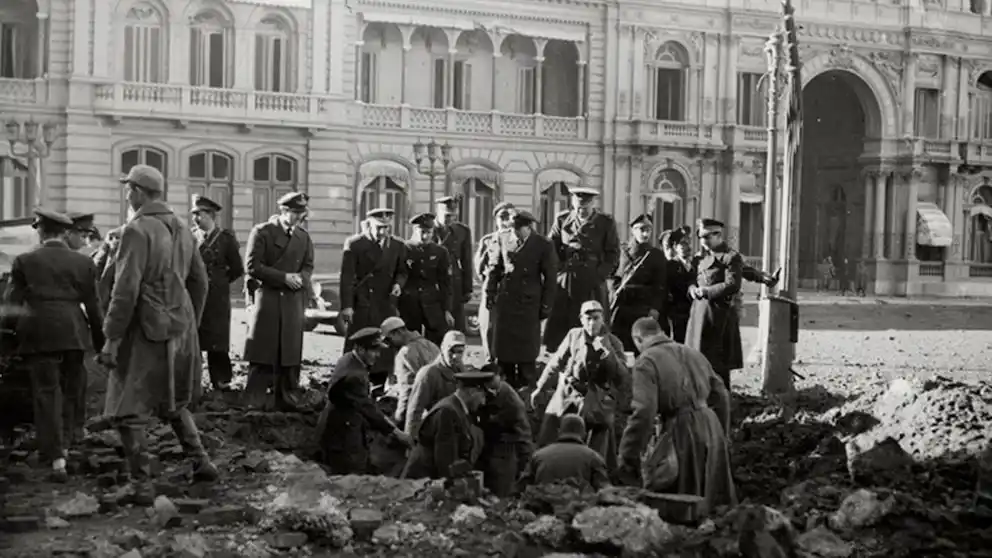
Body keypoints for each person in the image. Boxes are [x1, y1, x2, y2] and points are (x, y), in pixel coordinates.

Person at [99, 164, 217, 498]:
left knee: (127, 409)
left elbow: (125, 291)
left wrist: (111, 338)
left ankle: (140, 484)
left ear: (138, 192)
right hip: (180, 327)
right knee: (173, 400)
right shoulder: (183, 228)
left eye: (129, 189)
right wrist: (188, 321)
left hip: (144, 330)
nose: (127, 195)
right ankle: (202, 462)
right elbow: (201, 283)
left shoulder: (136, 230)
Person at [1, 208, 104, 482]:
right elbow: (94, 307)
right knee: (72, 390)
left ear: (41, 231)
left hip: (38, 333)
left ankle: (56, 457)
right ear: (64, 232)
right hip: (74, 332)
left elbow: (11, 305)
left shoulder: (24, 261)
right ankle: (68, 444)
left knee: (47, 393)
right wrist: (101, 343)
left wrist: (7, 339)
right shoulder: (83, 263)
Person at [618, 317, 736, 512]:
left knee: (682, 499)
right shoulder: (693, 353)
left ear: (638, 340)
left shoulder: (646, 361)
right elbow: (722, 395)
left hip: (682, 428)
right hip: (711, 424)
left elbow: (644, 411)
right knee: (715, 497)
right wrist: (723, 433)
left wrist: (628, 453)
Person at [532, 300, 629, 472]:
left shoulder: (613, 342)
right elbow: (556, 362)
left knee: (598, 443)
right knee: (551, 430)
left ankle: (594, 474)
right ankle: (547, 469)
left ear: (603, 319)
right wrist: (540, 387)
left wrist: (607, 352)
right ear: (581, 319)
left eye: (596, 318)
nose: (592, 323)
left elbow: (622, 376)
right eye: (588, 319)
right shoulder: (574, 336)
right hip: (569, 394)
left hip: (596, 398)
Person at [243, 192, 315, 411]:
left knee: (290, 353)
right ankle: (255, 399)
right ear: (283, 211)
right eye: (295, 212)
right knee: (263, 351)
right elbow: (252, 266)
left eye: (302, 213)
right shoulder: (262, 232)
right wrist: (283, 278)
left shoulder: (303, 237)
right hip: (269, 299)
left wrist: (301, 279)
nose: (300, 217)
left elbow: (308, 265)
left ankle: (287, 398)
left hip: (293, 302)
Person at [319, 327, 413, 474]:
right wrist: (396, 433)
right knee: (350, 474)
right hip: (342, 435)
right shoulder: (354, 376)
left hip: (341, 425)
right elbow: (368, 409)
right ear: (361, 349)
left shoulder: (349, 359)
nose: (378, 355)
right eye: (374, 351)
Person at [485, 210, 558, 390]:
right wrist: (490, 293)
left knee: (527, 354)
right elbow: (495, 269)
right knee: (505, 353)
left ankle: (527, 391)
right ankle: (506, 389)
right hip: (506, 304)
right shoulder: (502, 238)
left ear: (529, 227)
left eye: (519, 229)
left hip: (529, 305)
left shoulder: (543, 244)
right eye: (513, 229)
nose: (515, 233)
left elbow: (550, 279)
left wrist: (546, 306)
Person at [545, 186, 620, 350]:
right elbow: (551, 248)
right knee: (562, 324)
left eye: (585, 208)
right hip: (568, 279)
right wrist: (560, 268)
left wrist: (600, 275)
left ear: (592, 204)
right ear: (573, 203)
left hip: (592, 280)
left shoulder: (605, 222)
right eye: (578, 208)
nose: (581, 212)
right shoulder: (562, 219)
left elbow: (613, 253)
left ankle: (595, 354)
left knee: (594, 322)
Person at [340, 208, 408, 382]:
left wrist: (398, 284)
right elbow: (347, 278)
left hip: (384, 304)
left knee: (383, 349)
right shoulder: (355, 244)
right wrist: (347, 307)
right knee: (360, 346)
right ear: (369, 225)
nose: (383, 232)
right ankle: (352, 381)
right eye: (379, 227)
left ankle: (379, 384)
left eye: (386, 227)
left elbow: (402, 271)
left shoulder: (397, 246)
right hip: (362, 303)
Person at [190, 194, 243, 392]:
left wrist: (220, 282)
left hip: (217, 299)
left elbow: (237, 268)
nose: (195, 218)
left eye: (199, 214)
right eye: (194, 214)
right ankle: (193, 380)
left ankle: (221, 380)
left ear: (211, 215)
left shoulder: (226, 239)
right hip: (195, 297)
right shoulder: (190, 237)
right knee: (194, 338)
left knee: (217, 340)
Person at [402, 369, 494, 480]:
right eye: (483, 396)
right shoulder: (448, 412)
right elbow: (446, 463)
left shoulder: (458, 409)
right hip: (420, 482)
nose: (483, 402)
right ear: (472, 391)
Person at [685, 219, 744, 390]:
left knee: (718, 363)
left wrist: (706, 291)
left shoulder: (730, 257)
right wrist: (692, 289)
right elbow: (691, 278)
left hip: (719, 315)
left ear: (718, 235)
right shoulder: (700, 258)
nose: (703, 241)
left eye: (707, 237)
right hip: (699, 314)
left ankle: (721, 399)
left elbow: (732, 284)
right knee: (697, 359)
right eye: (701, 237)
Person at [610, 213, 668, 355]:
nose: (645, 234)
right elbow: (613, 278)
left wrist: (655, 308)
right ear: (633, 230)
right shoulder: (621, 252)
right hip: (622, 308)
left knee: (641, 347)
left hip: (643, 308)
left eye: (648, 230)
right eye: (642, 229)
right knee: (619, 347)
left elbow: (660, 286)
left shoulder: (656, 255)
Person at [475, 363, 533, 497]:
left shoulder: (512, 403)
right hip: (495, 444)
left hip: (509, 446)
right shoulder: (491, 389)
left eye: (491, 378)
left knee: (502, 487)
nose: (486, 382)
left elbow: (521, 434)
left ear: (501, 377)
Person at [399, 212, 453, 345]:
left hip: (432, 304)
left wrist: (446, 309)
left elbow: (445, 283)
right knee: (409, 341)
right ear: (414, 230)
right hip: (409, 304)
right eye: (422, 232)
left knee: (435, 343)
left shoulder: (440, 252)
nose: (425, 236)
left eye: (429, 232)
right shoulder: (405, 249)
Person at [518, 414, 609, 492]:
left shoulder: (538, 456)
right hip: (580, 505)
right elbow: (604, 490)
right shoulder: (594, 458)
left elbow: (521, 488)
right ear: (584, 434)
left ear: (559, 431)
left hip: (542, 504)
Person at [404, 330, 468, 439]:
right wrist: (411, 440)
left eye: (460, 352)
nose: (455, 356)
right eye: (451, 351)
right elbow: (414, 410)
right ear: (442, 348)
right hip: (437, 433)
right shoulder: (429, 374)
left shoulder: (463, 371)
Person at [381, 316, 441, 429]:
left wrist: (398, 420)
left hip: (421, 413)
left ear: (398, 332)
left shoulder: (405, 353)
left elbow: (407, 392)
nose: (389, 345)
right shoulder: (431, 345)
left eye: (389, 340)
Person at [474, 202, 516, 363]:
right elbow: (479, 267)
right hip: (491, 289)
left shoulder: (518, 240)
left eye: (509, 217)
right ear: (496, 220)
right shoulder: (488, 240)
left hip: (511, 290)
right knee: (488, 327)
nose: (505, 222)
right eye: (502, 217)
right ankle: (489, 361)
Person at [434, 196, 474, 333]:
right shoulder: (427, 229)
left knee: (457, 325)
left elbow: (466, 261)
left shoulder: (462, 231)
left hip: (455, 283)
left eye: (453, 216)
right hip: (434, 282)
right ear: (438, 212)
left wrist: (467, 288)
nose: (450, 219)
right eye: (447, 215)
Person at [661, 226, 695, 343]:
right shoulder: (670, 266)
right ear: (675, 247)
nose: (688, 246)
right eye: (683, 243)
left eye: (689, 242)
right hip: (677, 316)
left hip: (694, 314)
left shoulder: (697, 264)